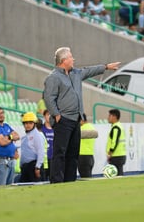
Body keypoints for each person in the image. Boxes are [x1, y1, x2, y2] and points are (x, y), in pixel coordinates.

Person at [43, 47, 120, 183]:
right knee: (60, 153)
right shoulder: (53, 77)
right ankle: (56, 181)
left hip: (75, 120)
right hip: (63, 120)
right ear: (63, 60)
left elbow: (89, 70)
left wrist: (106, 67)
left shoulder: (76, 73)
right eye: (71, 57)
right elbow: (49, 98)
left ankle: (70, 181)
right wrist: (56, 115)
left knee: (73, 153)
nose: (73, 59)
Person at [0, 107, 20, 186]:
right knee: (1, 187)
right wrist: (11, 137)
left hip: (11, 160)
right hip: (1, 161)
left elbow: (17, 136)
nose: (1, 115)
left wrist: (8, 137)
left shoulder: (6, 126)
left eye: (2, 113)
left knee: (10, 186)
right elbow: (2, 142)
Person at [19, 112, 45, 183]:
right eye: (26, 123)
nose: (28, 125)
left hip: (34, 166)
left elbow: (41, 151)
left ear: (34, 124)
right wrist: (21, 165)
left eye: (30, 123)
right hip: (25, 167)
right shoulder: (25, 137)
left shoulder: (37, 135)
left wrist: (37, 167)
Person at [106, 109, 126, 176]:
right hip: (120, 154)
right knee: (119, 174)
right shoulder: (119, 126)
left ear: (114, 117)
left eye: (109, 116)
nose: (108, 118)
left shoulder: (116, 128)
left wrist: (110, 154)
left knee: (117, 176)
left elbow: (114, 141)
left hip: (116, 155)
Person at [78, 114, 98, 178]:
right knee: (88, 177)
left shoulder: (81, 129)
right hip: (90, 156)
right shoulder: (92, 127)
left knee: (84, 179)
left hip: (82, 157)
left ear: (81, 120)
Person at [41, 109, 53, 181]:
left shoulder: (57, 128)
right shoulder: (41, 129)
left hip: (54, 158)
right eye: (48, 115)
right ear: (44, 116)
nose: (49, 117)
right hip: (44, 159)